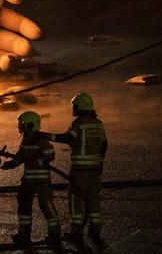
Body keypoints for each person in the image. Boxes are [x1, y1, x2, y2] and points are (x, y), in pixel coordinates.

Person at [42, 92, 108, 246]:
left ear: (79, 107)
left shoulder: (78, 124)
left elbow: (67, 138)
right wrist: (100, 163)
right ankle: (95, 231)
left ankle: (76, 232)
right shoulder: (99, 124)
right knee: (93, 201)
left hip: (79, 171)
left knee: (76, 200)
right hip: (95, 170)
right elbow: (104, 144)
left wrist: (45, 136)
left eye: (75, 106)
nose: (74, 108)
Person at [0, 110, 62, 245]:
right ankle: (24, 234)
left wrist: (37, 161)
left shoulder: (41, 139)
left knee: (46, 206)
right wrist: (10, 165)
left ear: (29, 125)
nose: (20, 127)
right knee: (23, 206)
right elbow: (20, 157)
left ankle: (55, 234)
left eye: (22, 124)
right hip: (27, 180)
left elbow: (50, 154)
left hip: (42, 182)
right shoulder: (26, 140)